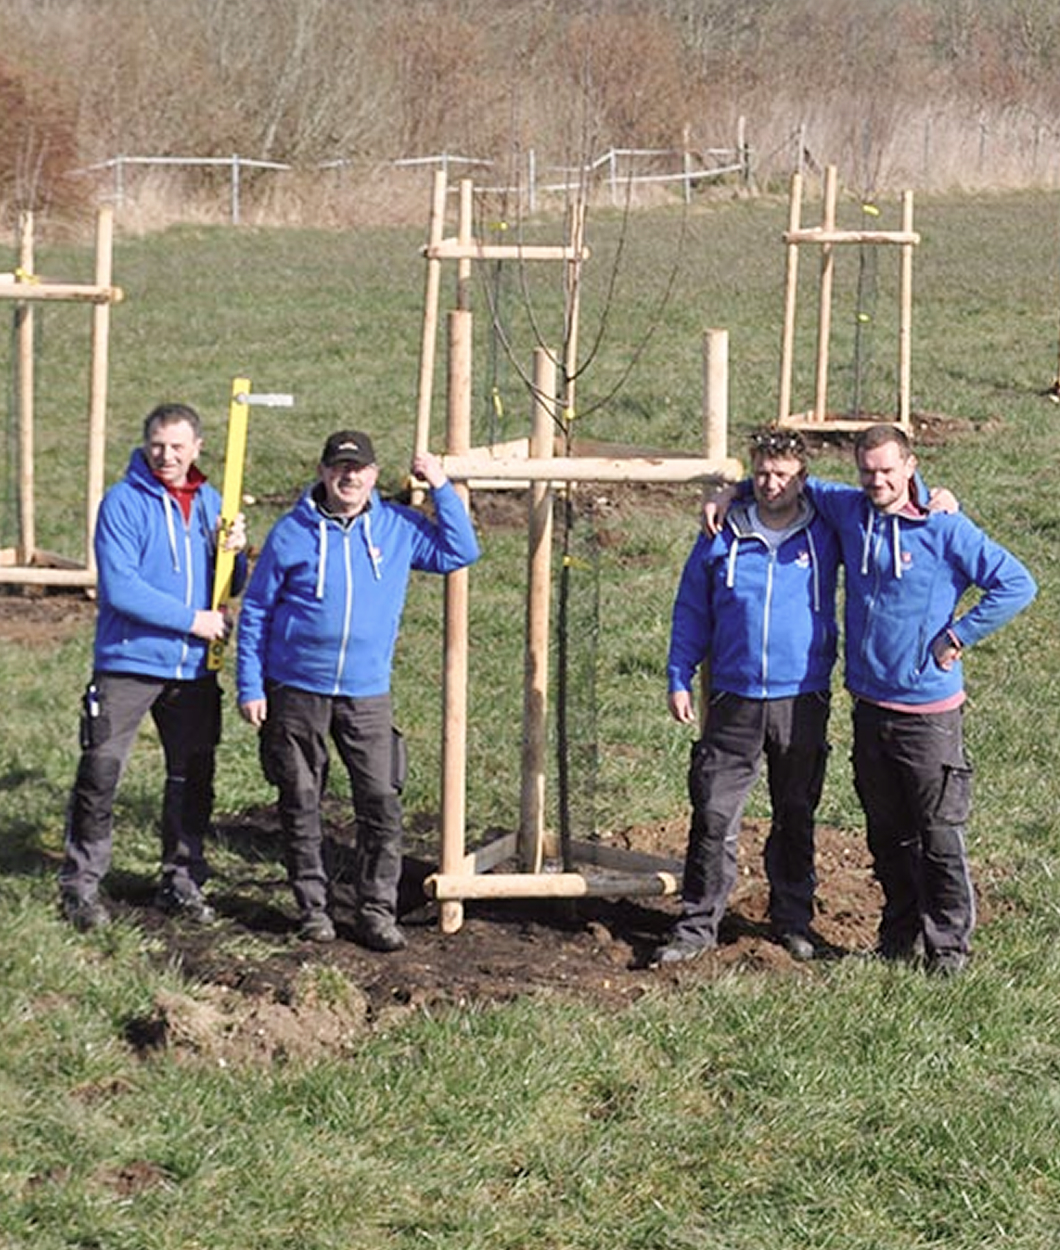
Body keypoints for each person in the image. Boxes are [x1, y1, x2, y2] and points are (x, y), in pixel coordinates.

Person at [800, 425, 1036, 975]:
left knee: (938, 835)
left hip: (928, 716)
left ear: (910, 467)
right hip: (868, 707)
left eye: (888, 470)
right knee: (886, 833)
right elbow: (786, 484)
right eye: (867, 471)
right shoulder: (851, 510)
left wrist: (958, 637)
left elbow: (1017, 583)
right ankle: (898, 935)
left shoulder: (943, 527)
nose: (877, 480)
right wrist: (727, 490)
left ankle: (948, 948)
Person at [236, 431, 480, 950]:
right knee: (300, 800)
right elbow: (256, 610)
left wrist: (439, 483)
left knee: (381, 801)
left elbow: (461, 549)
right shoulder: (290, 533)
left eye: (360, 469)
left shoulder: (395, 527)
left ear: (373, 475)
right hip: (296, 688)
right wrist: (250, 684)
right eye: (340, 468)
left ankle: (376, 911)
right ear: (324, 472)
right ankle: (313, 910)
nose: (350, 477)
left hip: (367, 692)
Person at [651, 425, 840, 967]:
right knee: (713, 813)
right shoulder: (720, 531)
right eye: (760, 473)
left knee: (796, 811)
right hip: (733, 696)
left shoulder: (825, 530)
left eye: (782, 474)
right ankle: (695, 927)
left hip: (802, 697)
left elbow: (871, 495)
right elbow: (691, 607)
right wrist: (678, 674)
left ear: (802, 478)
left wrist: (933, 497)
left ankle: (793, 920)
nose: (770, 483)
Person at [60, 402, 247, 930]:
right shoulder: (121, 503)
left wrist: (237, 552)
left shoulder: (214, 502)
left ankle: (181, 882)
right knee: (100, 772)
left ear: (197, 448)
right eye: (158, 445)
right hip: (128, 662)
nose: (166, 455)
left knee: (192, 777)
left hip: (193, 670)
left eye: (177, 447)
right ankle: (81, 885)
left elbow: (229, 587)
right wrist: (193, 621)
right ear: (146, 444)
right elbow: (121, 589)